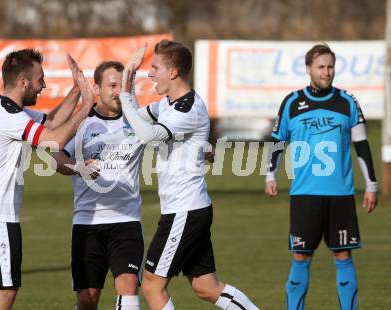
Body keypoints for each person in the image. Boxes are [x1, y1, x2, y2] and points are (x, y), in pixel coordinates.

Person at [119, 40, 259, 310]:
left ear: (173, 73)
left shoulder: (187, 109)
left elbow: (146, 134)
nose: (151, 74)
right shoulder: (168, 105)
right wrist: (129, 77)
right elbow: (133, 119)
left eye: (155, 68)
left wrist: (127, 86)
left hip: (184, 211)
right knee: (206, 288)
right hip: (189, 209)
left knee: (151, 284)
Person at [0, 48, 95, 310]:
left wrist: (77, 90)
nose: (43, 86)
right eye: (40, 79)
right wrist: (88, 106)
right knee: (4, 290)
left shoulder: (6, 108)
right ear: (23, 81)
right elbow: (54, 140)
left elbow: (53, 120)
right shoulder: (7, 116)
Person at [265, 43, 378, 310]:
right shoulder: (292, 102)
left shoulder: (347, 102)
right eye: (321, 67)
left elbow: (361, 146)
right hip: (305, 195)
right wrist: (270, 175)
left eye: (330, 66)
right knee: (300, 256)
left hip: (341, 194)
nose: (327, 72)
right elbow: (277, 141)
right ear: (308, 69)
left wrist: (371, 185)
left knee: (343, 254)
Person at [52, 60, 145, 310]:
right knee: (87, 299)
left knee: (128, 288)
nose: (118, 91)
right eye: (112, 85)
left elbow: (170, 137)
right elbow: (55, 157)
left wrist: (203, 149)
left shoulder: (137, 122)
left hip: (127, 221)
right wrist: (78, 168)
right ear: (96, 88)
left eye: (121, 85)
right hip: (87, 224)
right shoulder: (82, 123)